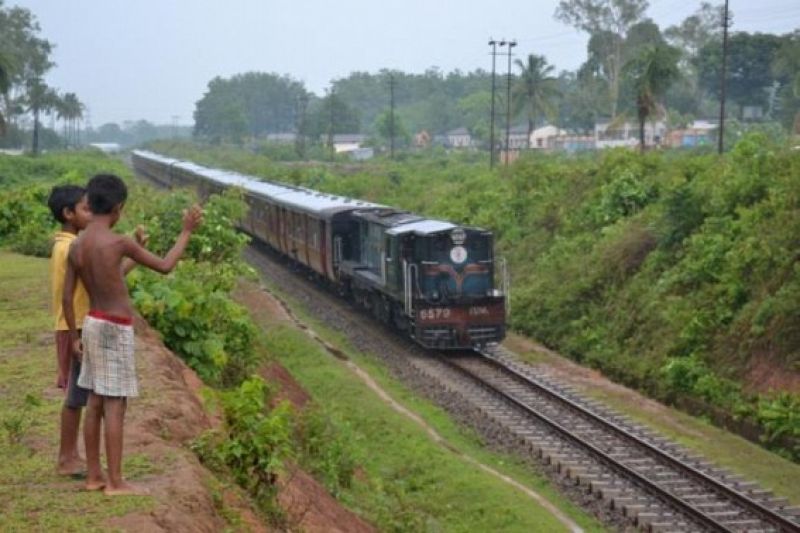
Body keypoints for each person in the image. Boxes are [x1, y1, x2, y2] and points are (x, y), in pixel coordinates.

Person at [63, 174, 202, 495]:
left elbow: (67, 298)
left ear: (90, 203)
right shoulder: (119, 242)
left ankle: (94, 476)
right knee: (116, 403)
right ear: (118, 207)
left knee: (95, 400)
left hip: (92, 323)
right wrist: (186, 231)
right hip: (115, 327)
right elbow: (166, 265)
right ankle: (115, 481)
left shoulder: (78, 245)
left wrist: (73, 337)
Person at [48, 185, 92, 476]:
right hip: (74, 327)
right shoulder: (71, 248)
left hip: (69, 326)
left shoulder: (62, 245)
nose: (92, 214)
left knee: (77, 395)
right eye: (86, 209)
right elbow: (102, 280)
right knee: (76, 397)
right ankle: (67, 458)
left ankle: (71, 455)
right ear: (68, 213)